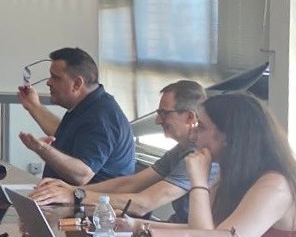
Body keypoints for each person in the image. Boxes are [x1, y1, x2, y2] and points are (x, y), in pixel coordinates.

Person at [166, 92, 296, 237]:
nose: (193, 135)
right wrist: (141, 227)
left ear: (228, 136)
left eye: (201, 127)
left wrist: (198, 183)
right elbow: (206, 230)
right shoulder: (233, 178)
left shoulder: (275, 186)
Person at [31, 80, 207, 220]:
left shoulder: (198, 156)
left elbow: (144, 204)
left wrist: (76, 195)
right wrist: (73, 189)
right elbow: (131, 183)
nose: (158, 121)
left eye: (164, 113)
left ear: (190, 117)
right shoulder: (180, 150)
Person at [17, 47, 135, 184]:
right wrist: (33, 106)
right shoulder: (90, 104)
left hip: (92, 197)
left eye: (55, 78)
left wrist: (43, 149)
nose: (48, 82)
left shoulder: (101, 117)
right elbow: (66, 135)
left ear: (77, 84)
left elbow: (82, 175)